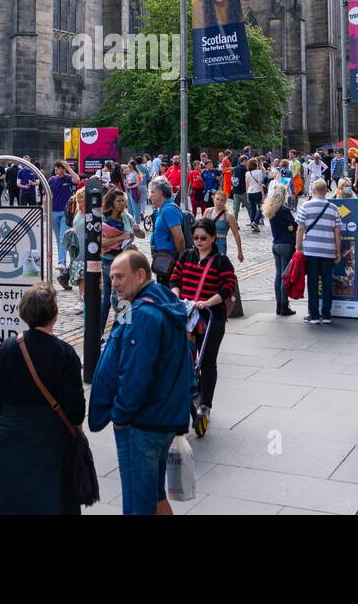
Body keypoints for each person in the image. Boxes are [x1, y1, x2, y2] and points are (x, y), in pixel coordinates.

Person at [89, 249, 192, 515]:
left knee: (138, 505)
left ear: (141, 275)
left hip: (142, 424)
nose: (114, 283)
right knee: (154, 497)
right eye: (112, 277)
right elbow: (120, 343)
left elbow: (136, 374)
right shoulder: (152, 303)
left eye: (120, 276)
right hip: (162, 417)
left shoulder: (144, 315)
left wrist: (121, 415)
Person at [0, 284, 86, 515]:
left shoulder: (7, 347)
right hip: (51, 440)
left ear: (23, 312)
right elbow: (76, 410)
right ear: (55, 314)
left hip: (11, 435)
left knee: (12, 503)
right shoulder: (65, 353)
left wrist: (5, 418)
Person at [170, 218, 238, 433]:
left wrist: (208, 302)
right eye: (196, 237)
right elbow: (175, 278)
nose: (199, 241)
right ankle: (191, 392)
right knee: (186, 359)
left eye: (203, 238)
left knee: (207, 361)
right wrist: (177, 297)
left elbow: (228, 287)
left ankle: (205, 403)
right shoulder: (187, 256)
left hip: (211, 318)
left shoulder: (221, 261)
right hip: (188, 316)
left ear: (213, 238)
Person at [295, 177, 343, 324]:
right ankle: (327, 315)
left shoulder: (306, 206)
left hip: (311, 251)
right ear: (326, 191)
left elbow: (300, 228)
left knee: (313, 282)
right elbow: (337, 232)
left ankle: (314, 315)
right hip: (328, 251)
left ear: (313, 190)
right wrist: (338, 252)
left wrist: (298, 248)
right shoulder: (334, 208)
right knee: (328, 283)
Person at [98, 187, 143, 335]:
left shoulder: (127, 217)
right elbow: (101, 242)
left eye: (123, 201)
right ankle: (104, 332)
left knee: (123, 295)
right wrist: (121, 237)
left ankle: (122, 330)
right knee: (111, 297)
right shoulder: (103, 219)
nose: (122, 203)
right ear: (111, 202)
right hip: (108, 261)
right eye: (119, 201)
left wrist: (137, 230)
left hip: (124, 262)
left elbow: (140, 235)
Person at [264, 182, 297, 316]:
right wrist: (291, 227)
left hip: (275, 244)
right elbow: (294, 225)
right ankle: (284, 306)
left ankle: (278, 305)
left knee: (278, 275)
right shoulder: (284, 210)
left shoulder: (271, 210)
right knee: (285, 276)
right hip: (286, 245)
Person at [148, 177, 186, 281]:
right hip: (163, 259)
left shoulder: (169, 210)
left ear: (161, 193)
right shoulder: (162, 209)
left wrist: (181, 262)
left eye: (152, 192)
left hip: (169, 260)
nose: (150, 195)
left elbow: (179, 239)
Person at [49, 160, 78, 272]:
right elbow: (47, 195)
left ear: (63, 169)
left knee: (62, 237)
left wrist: (68, 167)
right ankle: (62, 260)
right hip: (54, 211)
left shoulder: (67, 178)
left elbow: (77, 180)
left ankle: (62, 262)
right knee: (58, 238)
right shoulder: (52, 179)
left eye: (58, 168)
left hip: (65, 212)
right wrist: (45, 209)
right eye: (55, 168)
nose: (56, 170)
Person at [208, 189, 245, 265]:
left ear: (225, 202)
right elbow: (201, 228)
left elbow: (236, 234)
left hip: (220, 244)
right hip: (208, 242)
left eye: (222, 200)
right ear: (213, 199)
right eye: (217, 199)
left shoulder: (229, 216)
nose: (219, 202)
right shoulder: (208, 211)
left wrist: (240, 252)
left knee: (218, 266)